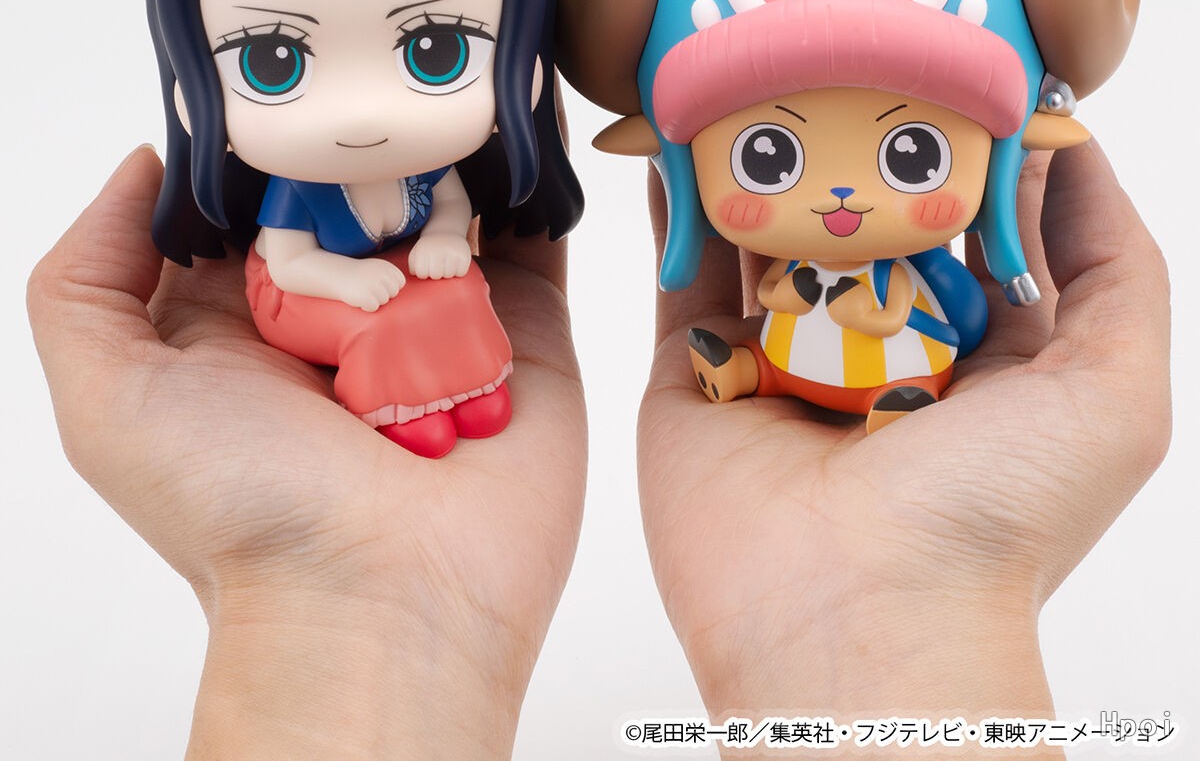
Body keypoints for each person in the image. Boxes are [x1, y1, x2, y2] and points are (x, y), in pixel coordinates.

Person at [27, 130, 1168, 757]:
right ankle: (743, 371)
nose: (835, 197)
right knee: (750, 348)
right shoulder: (297, 191)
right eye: (775, 158)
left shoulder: (906, 271)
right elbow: (300, 258)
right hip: (760, 344)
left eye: (909, 156)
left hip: (884, 357)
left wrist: (907, 603)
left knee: (465, 321)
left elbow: (960, 312)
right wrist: (332, 601)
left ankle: (874, 401)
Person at [141, 0, 582, 458]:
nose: (360, 114)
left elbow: (449, 208)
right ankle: (396, 407)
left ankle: (476, 387)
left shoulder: (427, 169)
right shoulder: (301, 188)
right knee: (376, 325)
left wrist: (445, 238)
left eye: (436, 49)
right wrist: (344, 280)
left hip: (394, 271)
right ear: (189, 91)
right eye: (272, 61)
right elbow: (289, 264)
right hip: (304, 293)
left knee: (463, 290)